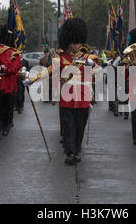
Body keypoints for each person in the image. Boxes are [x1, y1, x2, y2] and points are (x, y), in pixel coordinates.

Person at [25, 18, 92, 165]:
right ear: (68, 42)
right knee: (69, 127)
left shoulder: (86, 58)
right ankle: (70, 153)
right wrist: (32, 79)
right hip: (67, 99)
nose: (78, 46)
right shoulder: (60, 59)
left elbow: (89, 78)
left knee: (80, 127)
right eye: (75, 43)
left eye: (79, 42)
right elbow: (48, 72)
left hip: (82, 98)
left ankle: (76, 149)